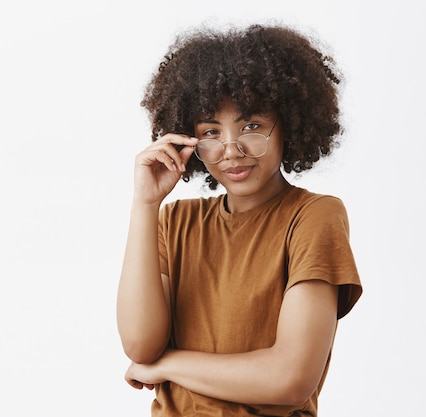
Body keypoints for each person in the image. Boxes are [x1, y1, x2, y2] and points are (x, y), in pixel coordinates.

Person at [116, 23, 363, 416]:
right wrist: (145, 204)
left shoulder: (313, 217)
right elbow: (140, 346)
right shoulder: (176, 220)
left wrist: (166, 365)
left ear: (289, 124)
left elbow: (290, 378)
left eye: (251, 126)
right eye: (210, 131)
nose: (231, 150)